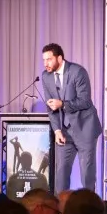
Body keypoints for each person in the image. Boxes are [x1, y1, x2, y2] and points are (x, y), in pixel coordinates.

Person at [40, 43, 102, 193]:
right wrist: (56, 131)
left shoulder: (78, 72)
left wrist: (62, 104)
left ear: (59, 58)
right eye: (44, 60)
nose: (45, 63)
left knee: (87, 174)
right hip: (64, 131)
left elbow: (85, 101)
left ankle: (89, 211)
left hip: (85, 128)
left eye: (49, 59)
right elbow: (51, 107)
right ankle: (60, 211)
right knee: (60, 175)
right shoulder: (46, 76)